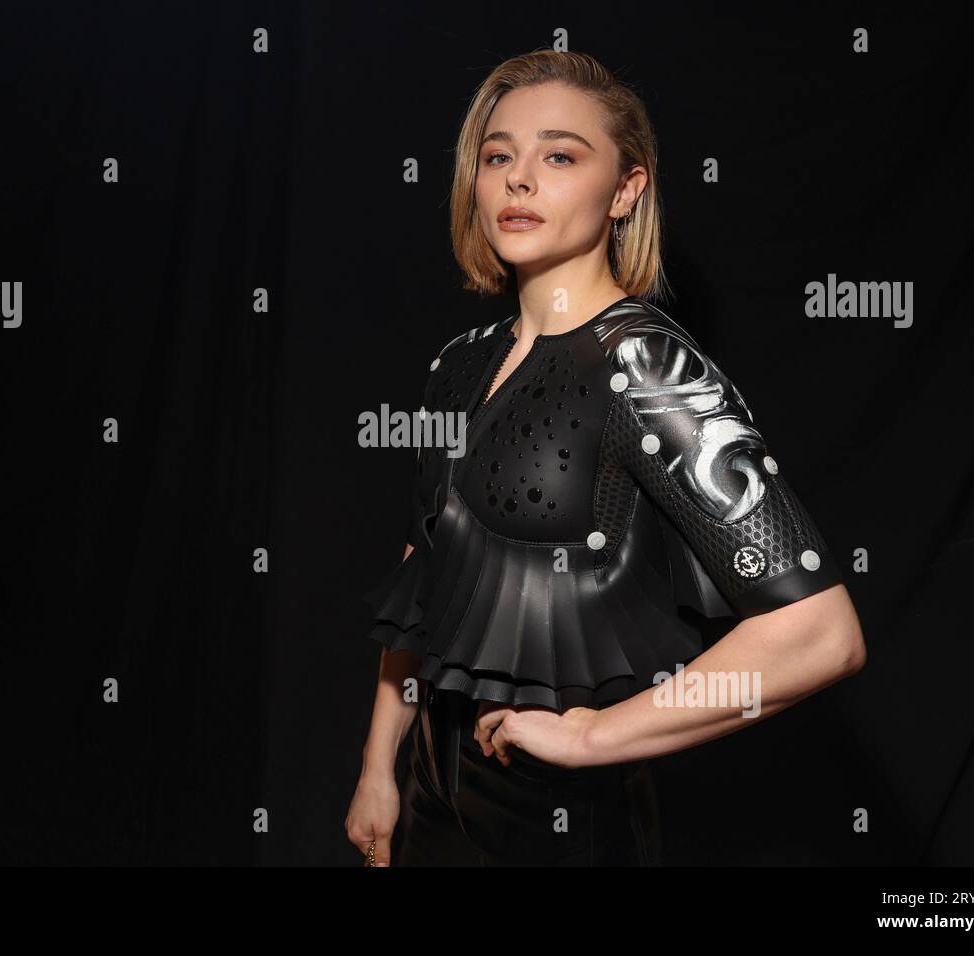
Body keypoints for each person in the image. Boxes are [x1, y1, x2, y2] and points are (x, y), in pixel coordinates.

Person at [345, 50, 865, 867]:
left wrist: (595, 735)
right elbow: (425, 572)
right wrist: (380, 768)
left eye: (559, 155)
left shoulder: (648, 367)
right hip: (427, 806)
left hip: (561, 822)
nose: (518, 179)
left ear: (626, 189)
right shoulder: (458, 363)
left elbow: (819, 632)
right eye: (496, 155)